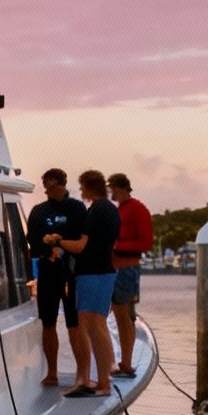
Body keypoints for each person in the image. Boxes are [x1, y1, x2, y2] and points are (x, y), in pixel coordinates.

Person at [54, 170, 120, 397]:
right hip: (102, 272)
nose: (80, 192)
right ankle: (103, 379)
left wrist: (59, 240)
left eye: (82, 188)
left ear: (90, 187)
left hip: (93, 273)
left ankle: (103, 383)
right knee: (95, 325)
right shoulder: (111, 209)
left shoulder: (97, 210)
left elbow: (81, 246)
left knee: (93, 326)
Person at [25, 167, 90, 388]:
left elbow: (82, 239)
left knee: (75, 322)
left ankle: (82, 373)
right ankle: (52, 372)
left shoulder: (77, 208)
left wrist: (60, 244)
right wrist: (46, 247)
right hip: (48, 271)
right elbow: (32, 241)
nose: (49, 191)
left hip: (72, 272)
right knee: (48, 322)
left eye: (53, 186)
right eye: (46, 187)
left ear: (62, 184)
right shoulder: (39, 211)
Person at [108, 172, 154, 378]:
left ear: (121, 188)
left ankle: (126, 362)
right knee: (119, 317)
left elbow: (146, 243)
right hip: (115, 268)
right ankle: (122, 361)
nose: (111, 193)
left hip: (127, 269)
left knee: (125, 317)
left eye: (113, 188)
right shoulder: (121, 209)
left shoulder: (138, 209)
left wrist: (117, 246)